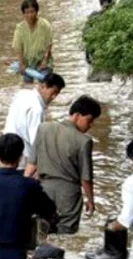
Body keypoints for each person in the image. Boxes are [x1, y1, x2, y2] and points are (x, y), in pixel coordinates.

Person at [27, 95, 101, 234]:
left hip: (43, 190)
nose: (90, 125)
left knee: (41, 232)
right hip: (69, 194)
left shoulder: (44, 128)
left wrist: (23, 186)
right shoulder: (84, 141)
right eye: (89, 120)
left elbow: (32, 164)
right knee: (66, 235)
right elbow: (86, 178)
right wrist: (90, 200)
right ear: (77, 115)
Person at [3, 73, 66, 172]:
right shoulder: (36, 109)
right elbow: (36, 142)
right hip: (23, 160)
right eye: (52, 92)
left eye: (57, 94)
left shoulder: (22, 94)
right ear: (42, 86)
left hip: (6, 153)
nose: (54, 97)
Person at [12, 0, 54, 84]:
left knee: (45, 84)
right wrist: (21, 63)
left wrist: (45, 60)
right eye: (27, 13)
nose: (30, 15)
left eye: (32, 12)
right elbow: (18, 48)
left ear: (37, 11)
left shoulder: (45, 25)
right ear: (23, 14)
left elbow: (48, 44)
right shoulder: (20, 28)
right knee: (27, 87)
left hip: (42, 60)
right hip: (27, 62)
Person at [84, 0, 114, 82]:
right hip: (102, 56)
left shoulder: (94, 16)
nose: (106, 5)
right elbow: (87, 36)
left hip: (97, 56)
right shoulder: (113, 18)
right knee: (105, 79)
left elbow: (86, 36)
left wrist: (87, 54)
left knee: (94, 79)